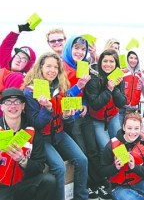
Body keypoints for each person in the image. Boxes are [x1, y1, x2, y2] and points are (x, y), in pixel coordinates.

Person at [21, 52, 88, 200]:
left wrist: (67, 116)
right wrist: (47, 109)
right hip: (42, 137)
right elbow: (36, 124)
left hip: (59, 133)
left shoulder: (62, 89)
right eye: (48, 66)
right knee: (59, 167)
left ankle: (81, 197)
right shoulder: (30, 91)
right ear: (40, 68)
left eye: (56, 67)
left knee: (82, 160)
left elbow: (67, 123)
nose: (52, 70)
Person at [62, 36, 111, 199]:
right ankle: (87, 186)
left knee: (93, 150)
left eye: (83, 49)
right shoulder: (61, 68)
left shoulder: (83, 66)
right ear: (69, 48)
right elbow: (60, 98)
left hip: (84, 114)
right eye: (76, 48)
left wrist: (83, 102)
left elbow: (84, 92)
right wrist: (78, 87)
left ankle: (99, 183)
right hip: (71, 119)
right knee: (82, 153)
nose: (79, 52)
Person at [0, 88, 56, 200]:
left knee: (48, 180)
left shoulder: (32, 130)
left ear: (23, 106)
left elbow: (39, 166)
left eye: (17, 102)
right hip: (2, 187)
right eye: (8, 102)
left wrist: (23, 160)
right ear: (2, 107)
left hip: (23, 184)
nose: (13, 106)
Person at [101, 112, 144, 200]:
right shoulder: (112, 145)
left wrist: (134, 167)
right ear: (123, 127)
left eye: (136, 128)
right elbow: (103, 171)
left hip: (141, 181)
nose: (133, 132)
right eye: (129, 128)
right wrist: (115, 167)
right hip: (119, 186)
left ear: (141, 128)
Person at [84, 49, 126, 152]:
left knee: (120, 145)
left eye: (111, 61)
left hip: (113, 116)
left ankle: (124, 167)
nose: (108, 64)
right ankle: (105, 167)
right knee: (106, 147)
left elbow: (122, 103)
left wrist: (115, 88)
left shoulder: (118, 77)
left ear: (116, 63)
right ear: (100, 62)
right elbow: (95, 105)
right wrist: (108, 89)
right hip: (97, 119)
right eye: (105, 61)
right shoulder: (93, 79)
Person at [119, 50, 144, 125]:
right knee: (118, 132)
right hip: (121, 109)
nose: (133, 60)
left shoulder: (140, 75)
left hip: (133, 110)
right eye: (131, 58)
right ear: (127, 59)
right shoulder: (122, 72)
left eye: (135, 58)